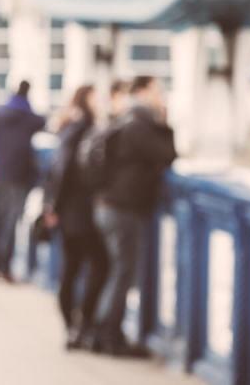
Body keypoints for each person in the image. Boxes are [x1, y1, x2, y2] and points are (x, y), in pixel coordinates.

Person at [91, 75, 176, 356]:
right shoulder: (141, 124)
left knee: (117, 270)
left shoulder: (123, 120)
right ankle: (109, 335)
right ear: (142, 92)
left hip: (106, 204)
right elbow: (167, 154)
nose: (160, 95)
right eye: (157, 90)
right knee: (123, 273)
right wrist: (164, 120)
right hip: (124, 208)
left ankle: (102, 331)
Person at [43, 85, 108, 349]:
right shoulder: (85, 128)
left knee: (71, 269)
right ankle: (81, 325)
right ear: (87, 100)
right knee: (97, 265)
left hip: (69, 210)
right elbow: (65, 170)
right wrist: (53, 208)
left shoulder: (70, 127)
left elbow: (57, 170)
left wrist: (52, 207)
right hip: (78, 211)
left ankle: (73, 328)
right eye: (97, 97)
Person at [0, 80, 46, 283]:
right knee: (11, 221)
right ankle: (4, 267)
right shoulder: (31, 119)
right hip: (20, 175)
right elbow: (46, 123)